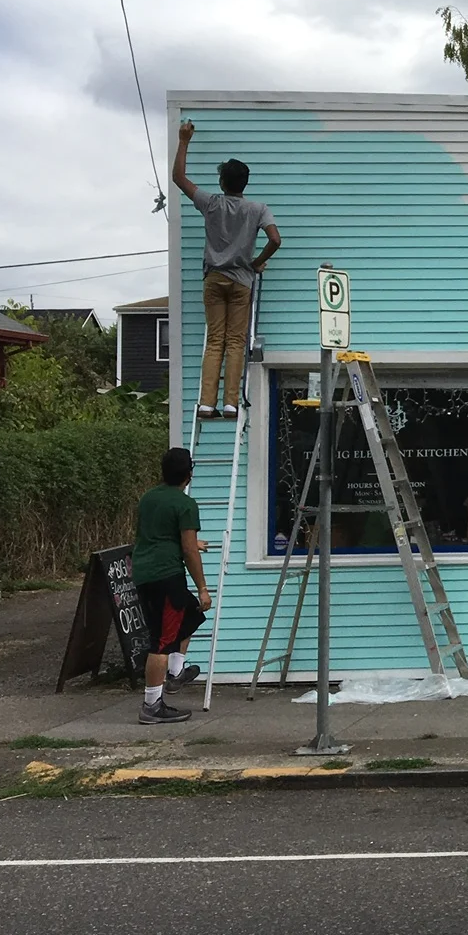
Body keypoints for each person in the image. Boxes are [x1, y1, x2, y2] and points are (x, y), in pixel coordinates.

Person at [173, 118, 280, 421]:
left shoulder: (211, 203)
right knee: (235, 342)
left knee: (215, 340)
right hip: (242, 281)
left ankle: (207, 404)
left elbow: (179, 178)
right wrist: (257, 262)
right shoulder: (257, 209)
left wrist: (184, 140)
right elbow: (275, 239)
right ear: (244, 184)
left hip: (214, 278)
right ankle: (231, 402)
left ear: (223, 183)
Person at [131, 446, 211, 725]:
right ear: (188, 475)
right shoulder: (185, 504)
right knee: (162, 641)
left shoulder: (148, 498)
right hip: (166, 575)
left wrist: (187, 544)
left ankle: (176, 673)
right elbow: (189, 551)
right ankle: (152, 705)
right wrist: (202, 586)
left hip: (144, 572)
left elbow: (158, 535)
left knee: (190, 614)